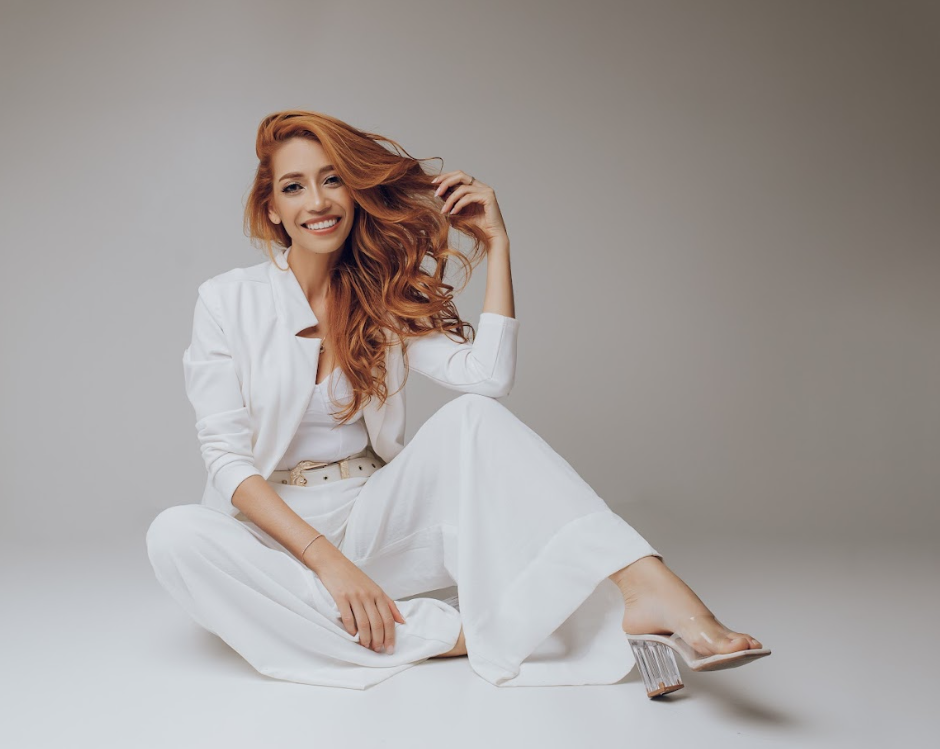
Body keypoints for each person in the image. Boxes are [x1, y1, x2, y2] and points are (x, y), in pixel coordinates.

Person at [146, 110, 770, 695]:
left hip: (373, 522)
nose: (317, 201)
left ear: (354, 192)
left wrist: (498, 244)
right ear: (273, 209)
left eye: (332, 180)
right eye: (294, 187)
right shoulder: (227, 301)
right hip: (273, 542)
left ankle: (647, 586)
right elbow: (226, 460)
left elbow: (486, 378)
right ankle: (475, 631)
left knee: (473, 417)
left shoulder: (379, 297)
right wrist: (330, 565)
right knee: (174, 535)